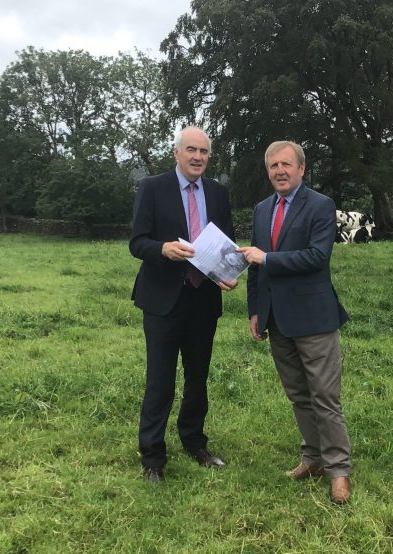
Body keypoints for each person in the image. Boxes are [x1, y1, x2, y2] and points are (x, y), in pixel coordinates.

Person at [238, 140, 353, 504]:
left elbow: (316, 257)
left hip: (314, 318)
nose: (280, 171)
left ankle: (339, 471)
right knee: (298, 395)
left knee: (325, 397)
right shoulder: (261, 209)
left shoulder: (320, 205)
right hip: (276, 318)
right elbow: (255, 268)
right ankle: (312, 460)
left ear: (302, 169)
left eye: (287, 164)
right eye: (273, 166)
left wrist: (268, 258)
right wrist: (255, 310)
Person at [129, 126, 237, 483]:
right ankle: (153, 458)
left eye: (204, 152)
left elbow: (227, 244)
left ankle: (194, 441)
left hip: (203, 298)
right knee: (160, 380)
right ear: (176, 153)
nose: (197, 157)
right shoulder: (153, 188)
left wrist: (228, 272)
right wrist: (162, 249)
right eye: (191, 150)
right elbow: (137, 242)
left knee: (197, 378)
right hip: (163, 299)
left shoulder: (219, 193)